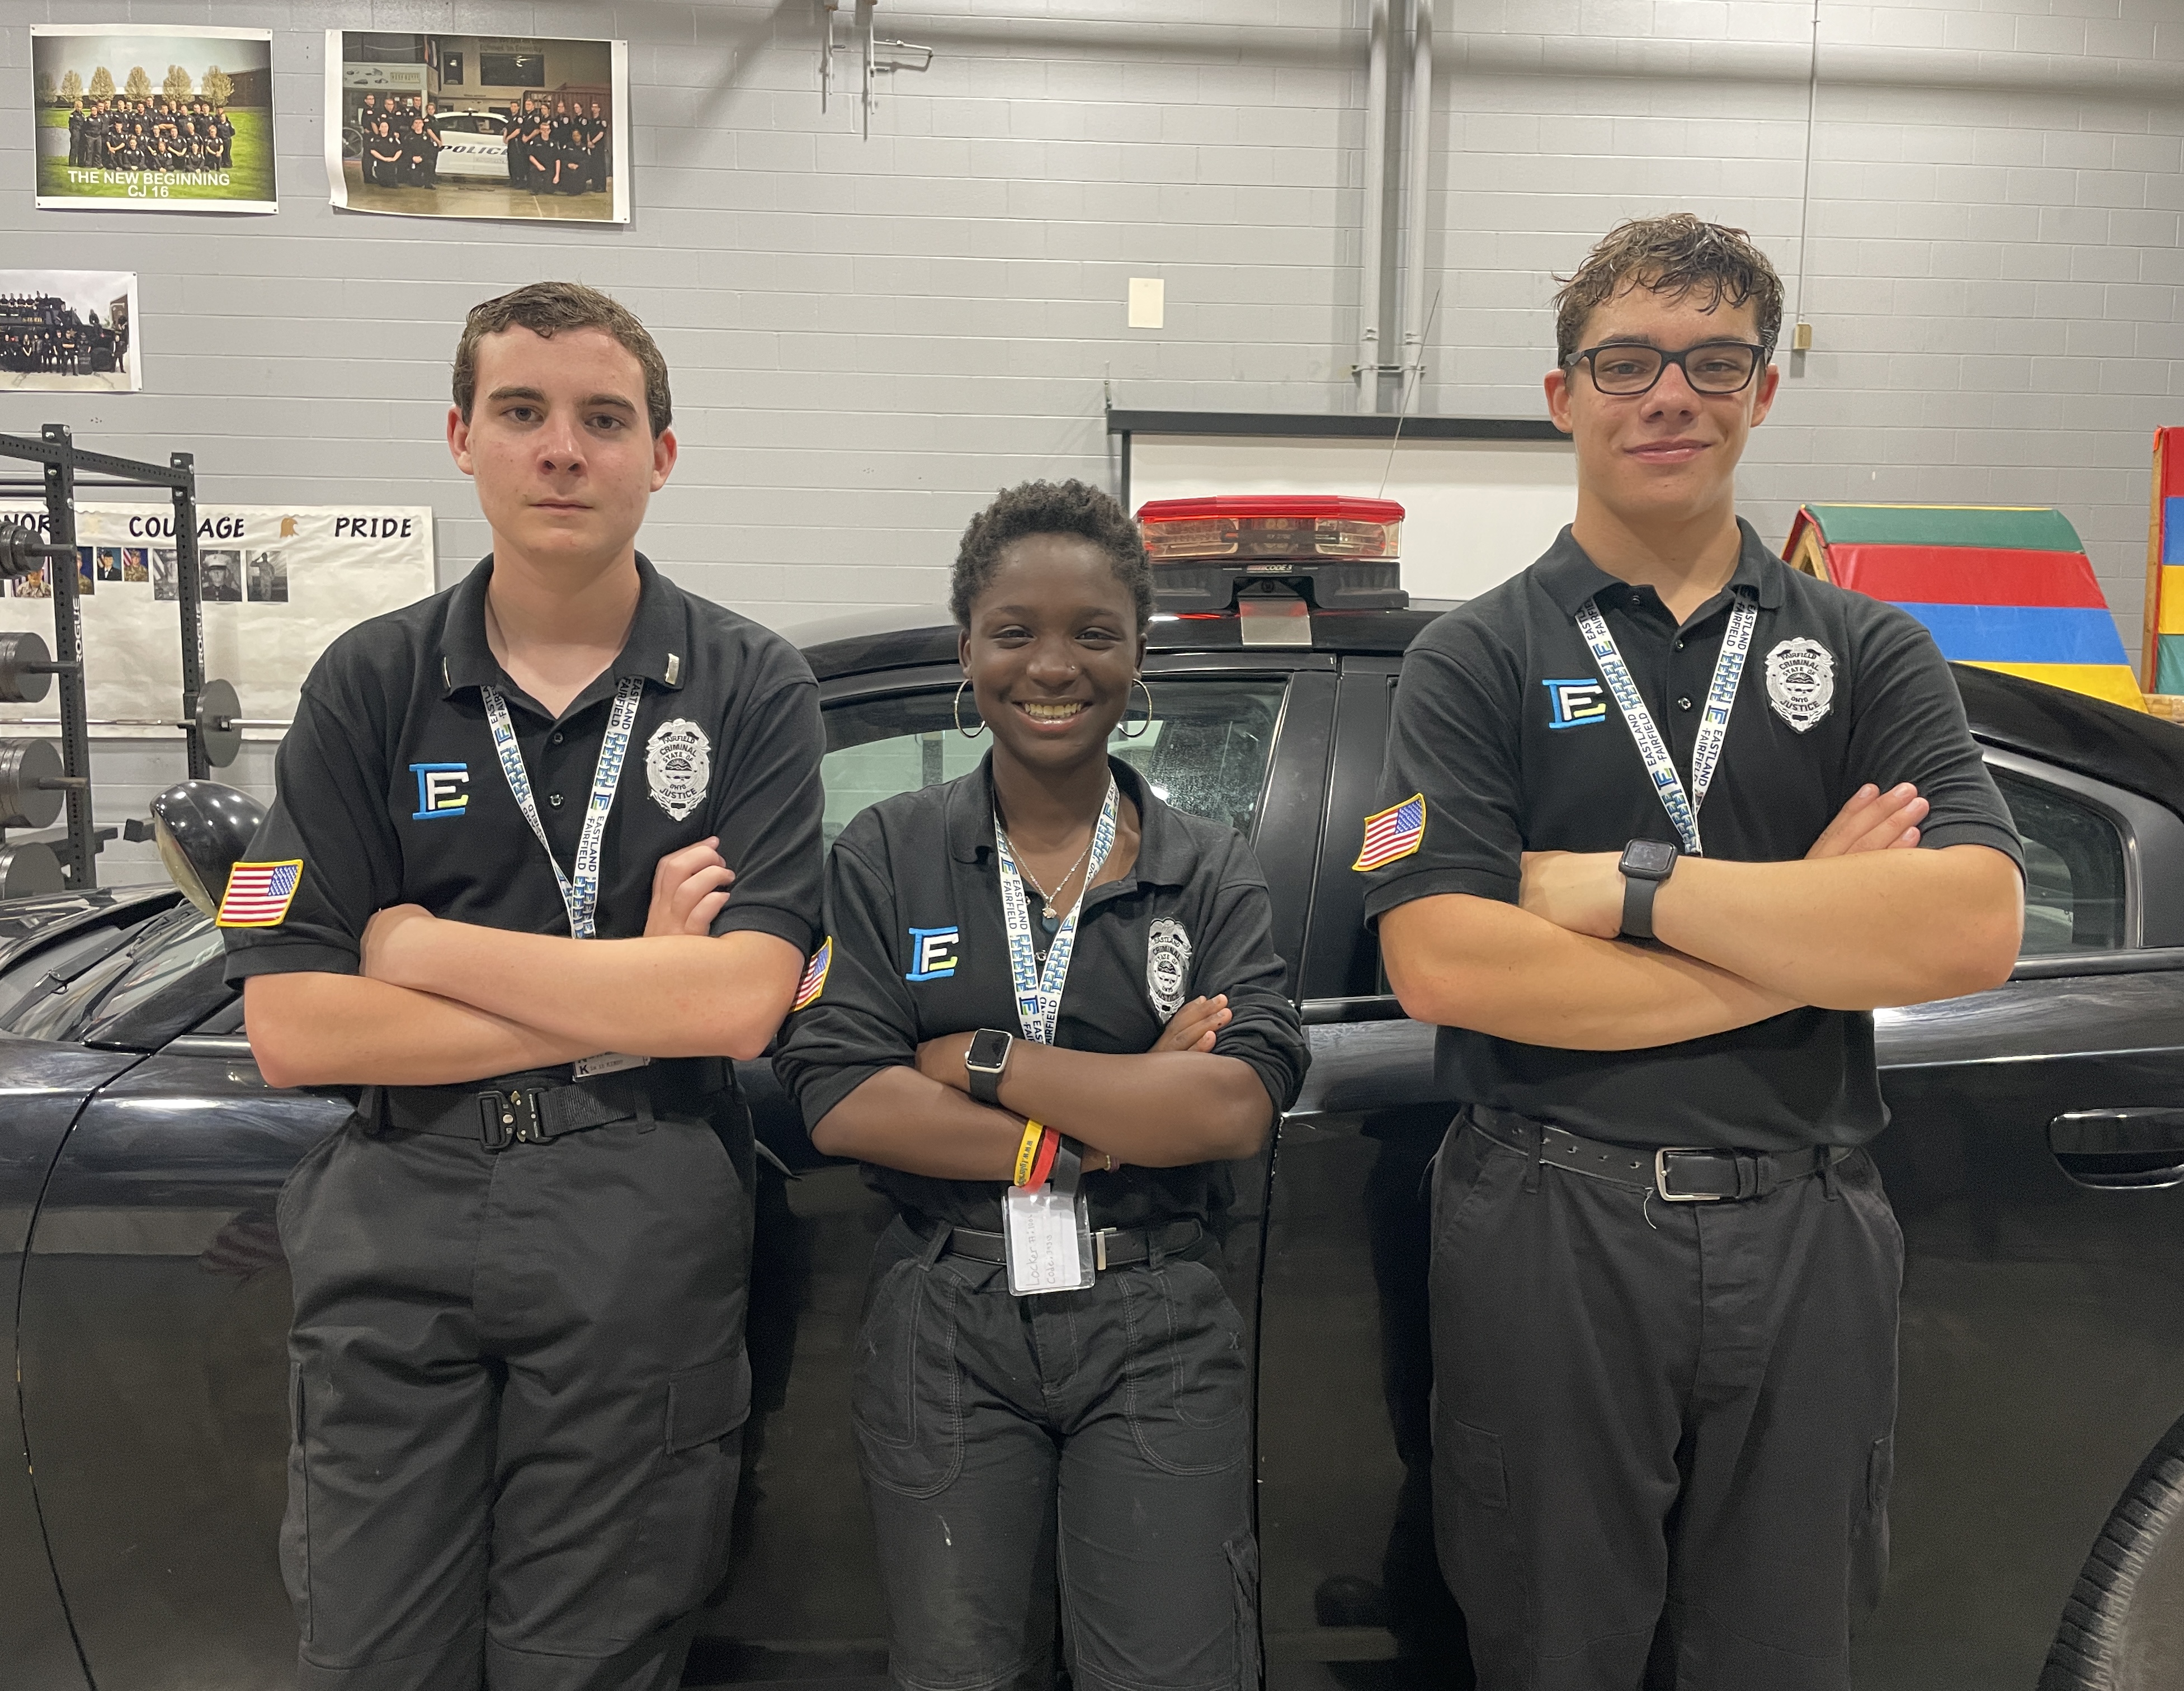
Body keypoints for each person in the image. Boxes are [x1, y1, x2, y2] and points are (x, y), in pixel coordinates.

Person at [1360, 212, 2027, 1691]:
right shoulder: (1472, 660)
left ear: (1763, 391)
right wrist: (1816, 933)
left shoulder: (1868, 651)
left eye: (1713, 361)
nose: (1671, 395)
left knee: (1781, 1659)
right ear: (1564, 396)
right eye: (1628, 363)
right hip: (1552, 1213)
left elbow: (1974, 924)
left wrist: (1630, 887)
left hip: (1809, 1223)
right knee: (1552, 1649)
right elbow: (1449, 967)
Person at [223, 280, 826, 1691]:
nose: (564, 449)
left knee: (594, 1657)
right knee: (373, 1653)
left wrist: (417, 948)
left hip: (641, 1201)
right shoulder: (364, 685)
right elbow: (293, 1027)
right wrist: (633, 978)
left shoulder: (750, 687)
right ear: (462, 437)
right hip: (400, 1198)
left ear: (660, 455)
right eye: (524, 412)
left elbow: (739, 1007)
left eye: (604, 419)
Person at [776, 479, 1309, 1691]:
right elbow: (843, 1095)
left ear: (1139, 651)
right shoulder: (889, 854)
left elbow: (1230, 1107)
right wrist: (1098, 1128)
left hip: (1157, 1309)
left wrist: (981, 1062)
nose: (1053, 666)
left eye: (1094, 632)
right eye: (1016, 632)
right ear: (968, 650)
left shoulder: (1208, 871)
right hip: (947, 1308)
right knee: (956, 1667)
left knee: (1169, 1669)